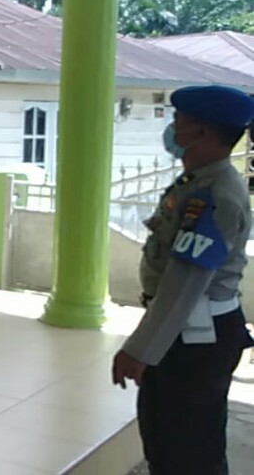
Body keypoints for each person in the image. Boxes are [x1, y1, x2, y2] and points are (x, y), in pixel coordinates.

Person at [112, 84, 254, 474]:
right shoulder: (197, 182)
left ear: (201, 132)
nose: (172, 128)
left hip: (196, 336)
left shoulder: (215, 194)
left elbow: (184, 284)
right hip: (187, 331)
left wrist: (140, 349)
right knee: (167, 439)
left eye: (178, 120)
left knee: (187, 448)